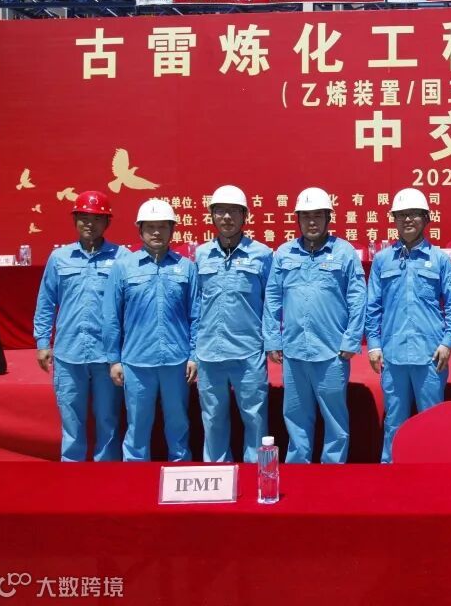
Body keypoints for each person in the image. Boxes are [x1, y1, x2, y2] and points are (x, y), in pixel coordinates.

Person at [262, 187, 365, 464]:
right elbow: (272, 297)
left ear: (328, 218)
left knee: (335, 420)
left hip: (332, 352)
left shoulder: (344, 253)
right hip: (294, 351)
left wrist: (351, 340)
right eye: (306, 216)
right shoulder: (284, 253)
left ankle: (332, 472)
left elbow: (358, 298)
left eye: (318, 215)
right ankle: (298, 472)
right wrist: (272, 339)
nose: (312, 222)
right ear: (297, 219)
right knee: (295, 416)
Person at [366, 188, 451, 463]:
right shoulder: (382, 260)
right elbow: (372, 307)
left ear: (426, 219)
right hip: (393, 355)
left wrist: (447, 343)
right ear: (394, 220)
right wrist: (373, 345)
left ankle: (433, 472)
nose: (407, 219)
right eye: (401, 215)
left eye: (414, 214)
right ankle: (390, 471)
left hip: (430, 356)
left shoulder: (440, 259)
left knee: (431, 421)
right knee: (394, 422)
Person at [33, 190, 127, 461]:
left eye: (97, 218)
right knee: (71, 421)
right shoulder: (59, 258)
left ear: (107, 222)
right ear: (75, 220)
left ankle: (106, 471)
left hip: (107, 354)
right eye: (84, 218)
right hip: (68, 353)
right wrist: (42, 342)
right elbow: (46, 301)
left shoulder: (122, 257)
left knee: (108, 419)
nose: (90, 224)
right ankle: (72, 470)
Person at [103, 198, 198, 462]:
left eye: (163, 226)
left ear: (173, 230)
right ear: (140, 230)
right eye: (150, 227)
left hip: (176, 362)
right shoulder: (124, 267)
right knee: (137, 427)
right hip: (136, 362)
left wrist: (193, 356)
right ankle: (135, 477)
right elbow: (111, 316)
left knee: (178, 425)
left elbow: (196, 315)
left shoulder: (186, 267)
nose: (156, 232)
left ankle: (180, 471)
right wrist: (114, 360)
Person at [193, 185, 273, 463]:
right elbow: (195, 305)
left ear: (245, 216)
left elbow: (272, 302)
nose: (227, 217)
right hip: (209, 353)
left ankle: (257, 474)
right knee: (212, 419)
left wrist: (271, 342)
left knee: (255, 418)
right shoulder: (201, 255)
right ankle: (216, 473)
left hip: (248, 352)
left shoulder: (262, 254)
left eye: (233, 211)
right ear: (212, 216)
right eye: (220, 211)